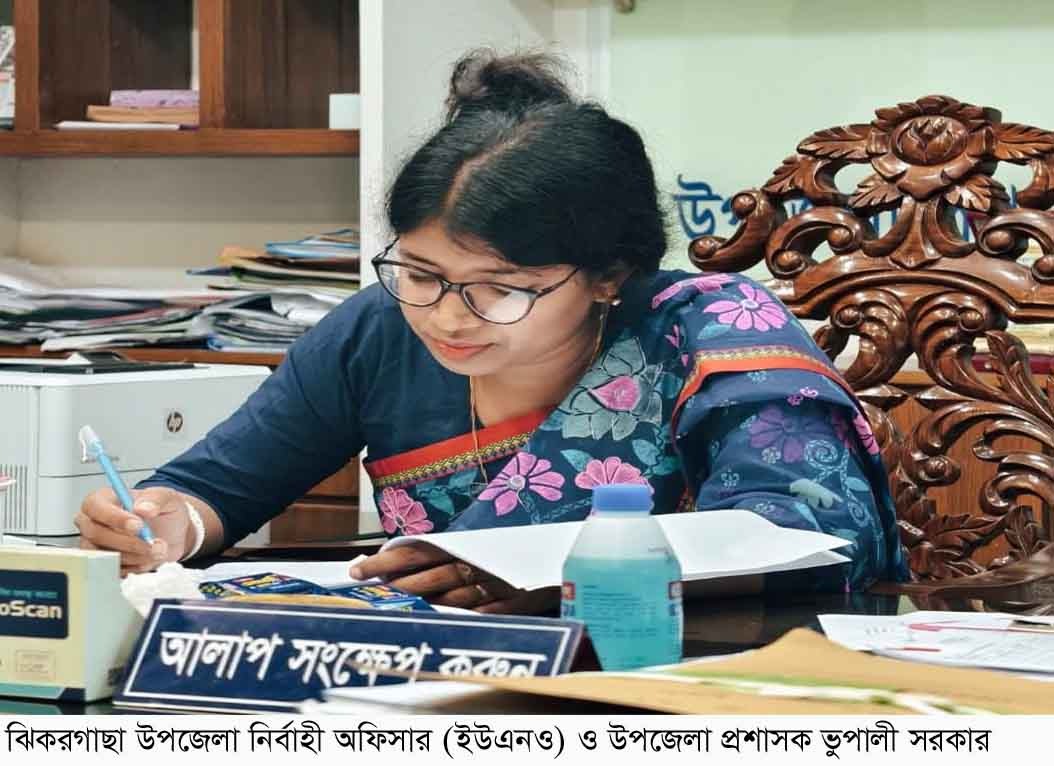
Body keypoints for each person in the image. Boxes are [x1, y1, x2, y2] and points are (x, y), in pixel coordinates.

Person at [77, 51, 907, 612]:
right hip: (431, 689)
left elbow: (812, 537)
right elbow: (219, 488)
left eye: (500, 289)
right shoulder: (380, 329)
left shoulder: (715, 330)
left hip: (694, 678)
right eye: (421, 273)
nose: (446, 314)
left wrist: (559, 579)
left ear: (609, 274)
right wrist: (170, 522)